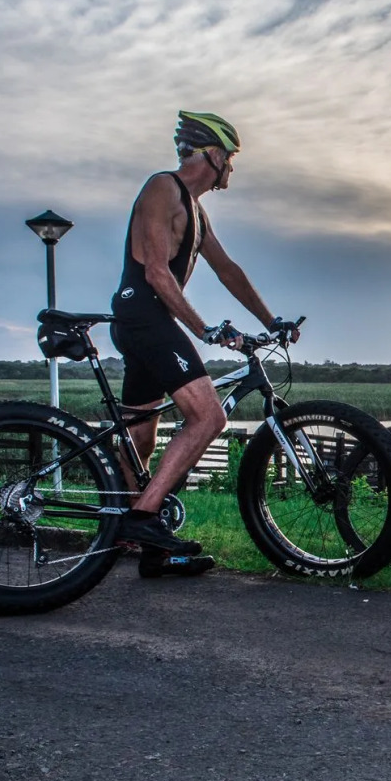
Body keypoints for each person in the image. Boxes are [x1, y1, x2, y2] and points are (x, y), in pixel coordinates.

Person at [109, 111, 291, 577]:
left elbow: (227, 270)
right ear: (212, 154)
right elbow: (154, 271)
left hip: (151, 321)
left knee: (140, 436)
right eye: (229, 158)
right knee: (209, 416)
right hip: (144, 315)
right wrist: (204, 328)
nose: (231, 168)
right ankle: (143, 520)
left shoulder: (195, 210)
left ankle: (150, 550)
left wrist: (273, 321)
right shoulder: (161, 188)